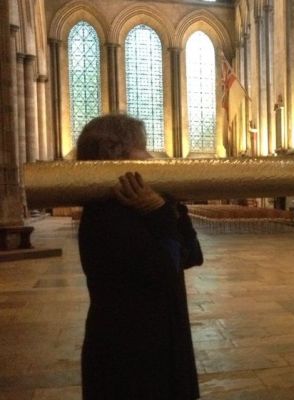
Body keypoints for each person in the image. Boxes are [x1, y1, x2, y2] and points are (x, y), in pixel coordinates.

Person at [76, 114, 203, 400]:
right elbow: (166, 267)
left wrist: (173, 209)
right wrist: (161, 214)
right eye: (143, 148)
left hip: (162, 344)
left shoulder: (145, 208)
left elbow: (193, 255)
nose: (151, 157)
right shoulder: (106, 216)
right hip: (129, 357)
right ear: (116, 157)